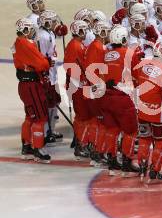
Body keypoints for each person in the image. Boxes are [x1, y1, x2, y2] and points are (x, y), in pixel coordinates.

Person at [99, 26, 141, 176]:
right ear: (123, 39)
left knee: (112, 130)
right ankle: (127, 162)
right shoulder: (130, 53)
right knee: (131, 131)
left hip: (106, 96)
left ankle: (112, 162)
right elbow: (137, 74)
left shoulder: (106, 55)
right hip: (123, 97)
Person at [12, 18, 51, 163]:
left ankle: (27, 146)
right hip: (32, 86)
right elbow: (42, 64)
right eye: (31, 29)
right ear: (26, 30)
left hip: (24, 85)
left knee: (30, 116)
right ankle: (38, 150)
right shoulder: (25, 44)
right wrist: (46, 61)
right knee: (40, 118)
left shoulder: (17, 43)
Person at [134, 42, 162, 183]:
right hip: (158, 114)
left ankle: (142, 167)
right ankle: (155, 171)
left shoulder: (143, 66)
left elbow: (136, 81)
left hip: (143, 110)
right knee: (161, 142)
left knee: (144, 139)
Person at [83, 20, 112, 167]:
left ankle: (96, 153)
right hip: (97, 89)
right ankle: (98, 153)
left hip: (92, 88)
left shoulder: (93, 46)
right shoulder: (99, 48)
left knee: (96, 122)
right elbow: (99, 71)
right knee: (101, 124)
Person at [36, 10, 64, 144]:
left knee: (54, 102)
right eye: (53, 21)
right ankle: (46, 132)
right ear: (46, 22)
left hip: (52, 74)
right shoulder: (42, 36)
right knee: (48, 105)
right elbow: (41, 56)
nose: (55, 24)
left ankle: (50, 130)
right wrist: (45, 74)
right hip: (47, 75)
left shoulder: (49, 33)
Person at [64, 20, 90, 160]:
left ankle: (82, 143)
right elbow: (70, 67)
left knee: (83, 117)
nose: (86, 32)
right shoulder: (75, 46)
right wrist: (83, 80)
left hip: (79, 85)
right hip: (78, 86)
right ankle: (81, 145)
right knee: (82, 117)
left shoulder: (77, 44)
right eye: (84, 30)